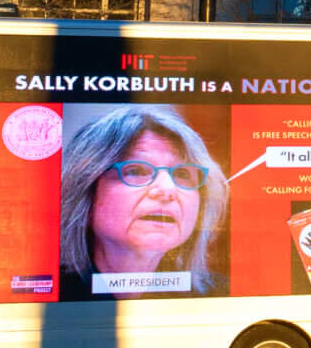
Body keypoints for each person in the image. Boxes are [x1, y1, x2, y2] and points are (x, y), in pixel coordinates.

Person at [59, 105, 230, 299]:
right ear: (85, 195)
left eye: (182, 174)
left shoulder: (220, 295)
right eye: (136, 171)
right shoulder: (47, 295)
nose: (167, 190)